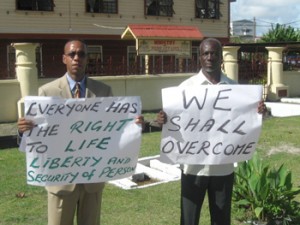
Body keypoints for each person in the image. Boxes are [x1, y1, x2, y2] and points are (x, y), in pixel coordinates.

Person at [17, 39, 144, 225]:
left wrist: (134, 125)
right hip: (60, 181)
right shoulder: (46, 93)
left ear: (87, 58)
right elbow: (37, 140)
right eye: (72, 54)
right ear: (64, 58)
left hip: (92, 181)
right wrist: (23, 132)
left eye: (82, 54)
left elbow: (115, 129)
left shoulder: (103, 91)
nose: (77, 58)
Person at [156, 38, 266, 225]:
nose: (210, 57)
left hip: (222, 169)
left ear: (221, 57)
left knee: (221, 220)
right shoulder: (185, 89)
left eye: (214, 53)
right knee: (189, 220)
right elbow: (174, 121)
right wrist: (162, 120)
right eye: (206, 53)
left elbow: (246, 120)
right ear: (199, 57)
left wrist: (259, 112)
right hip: (193, 168)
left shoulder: (236, 90)